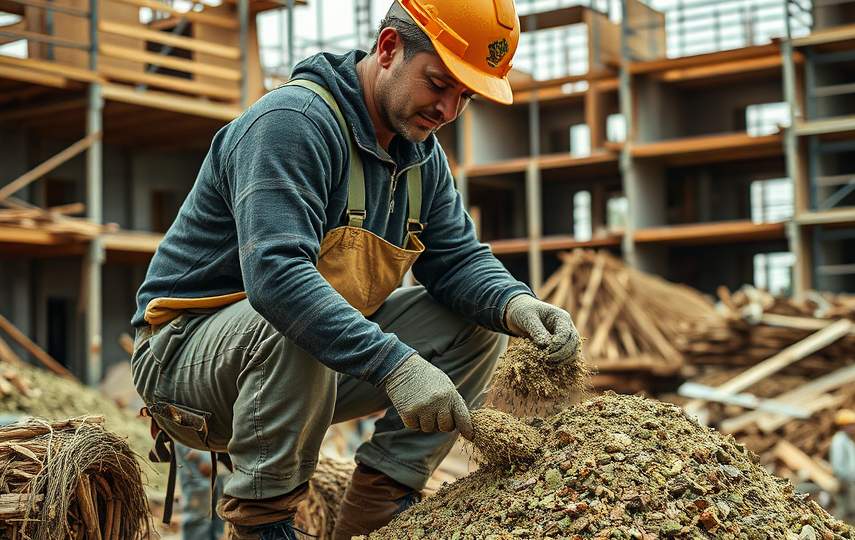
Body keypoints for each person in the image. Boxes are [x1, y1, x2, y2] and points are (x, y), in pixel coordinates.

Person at [129, 0, 581, 538]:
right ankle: (263, 524)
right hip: (187, 364)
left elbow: (458, 262)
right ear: (388, 48)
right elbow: (276, 278)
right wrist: (397, 366)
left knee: (480, 324)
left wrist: (517, 305)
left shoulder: (422, 158)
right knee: (294, 314)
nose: (448, 109)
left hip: (308, 367)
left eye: (465, 96)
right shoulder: (292, 124)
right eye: (438, 82)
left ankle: (378, 513)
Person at [174, 441, 227, 540]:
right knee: (198, 510)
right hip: (195, 444)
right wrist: (199, 458)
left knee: (218, 508)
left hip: (212, 448)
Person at [829, 408, 855, 526]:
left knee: (853, 509)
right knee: (845, 510)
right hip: (845, 480)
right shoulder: (839, 441)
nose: (854, 427)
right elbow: (837, 463)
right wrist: (843, 478)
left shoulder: (848, 441)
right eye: (852, 425)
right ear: (844, 425)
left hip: (851, 480)